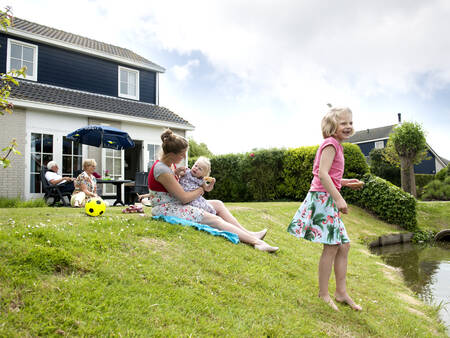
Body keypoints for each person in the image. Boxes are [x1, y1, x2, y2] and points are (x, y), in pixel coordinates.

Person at [148, 129, 278, 252]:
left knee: (218, 204)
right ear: (171, 154)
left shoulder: (170, 164)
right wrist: (201, 189)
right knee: (215, 220)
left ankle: (249, 234)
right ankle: (257, 243)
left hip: (175, 202)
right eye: (182, 154)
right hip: (167, 207)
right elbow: (184, 198)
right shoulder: (162, 170)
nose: (184, 157)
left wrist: (177, 173)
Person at [287, 107, 364, 311]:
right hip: (324, 198)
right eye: (343, 123)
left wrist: (345, 183)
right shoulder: (330, 144)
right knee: (331, 247)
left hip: (328, 195)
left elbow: (329, 174)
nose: (348, 127)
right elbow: (321, 174)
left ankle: (341, 292)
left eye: (350, 123)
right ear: (332, 126)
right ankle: (323, 294)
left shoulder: (337, 145)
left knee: (344, 245)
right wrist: (339, 198)